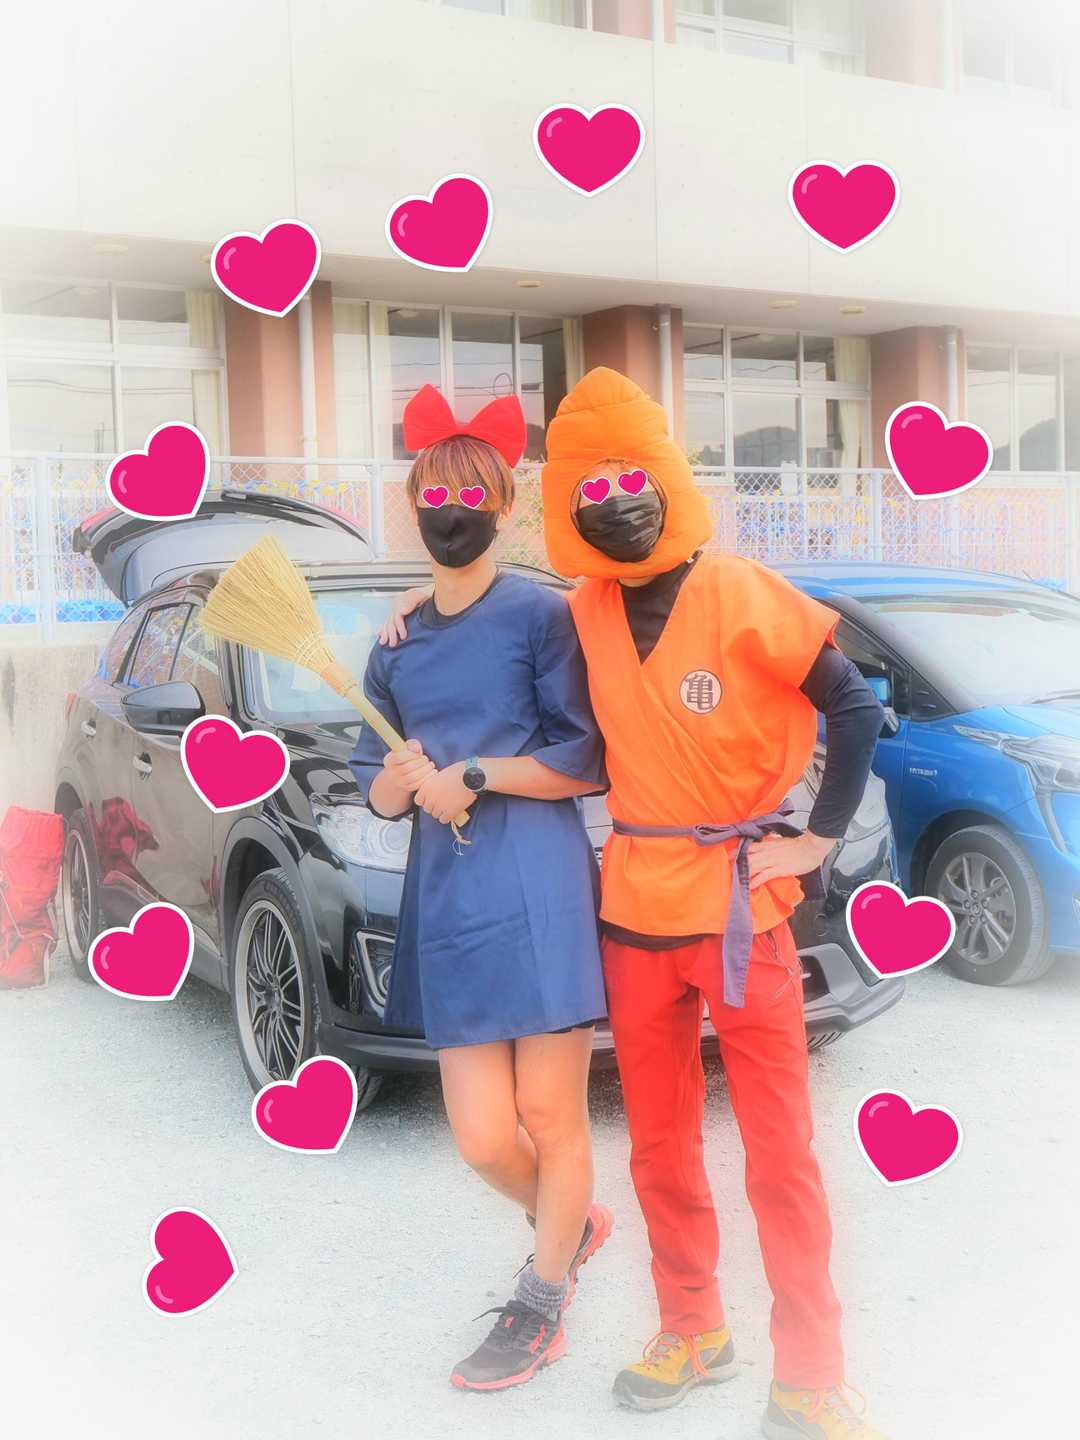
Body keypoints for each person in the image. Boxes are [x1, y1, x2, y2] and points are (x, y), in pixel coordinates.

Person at [383, 367, 889, 1439]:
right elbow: (482, 619)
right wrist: (415, 607)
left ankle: (812, 1370)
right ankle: (691, 1328)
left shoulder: (742, 587)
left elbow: (853, 705)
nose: (614, 502)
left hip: (743, 909)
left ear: (667, 478)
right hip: (635, 909)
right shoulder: (585, 610)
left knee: (780, 1153)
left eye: (630, 479)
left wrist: (817, 836)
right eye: (591, 487)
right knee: (659, 1146)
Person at [348, 383, 613, 1394]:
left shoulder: (541, 616)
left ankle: (540, 1302)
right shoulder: (397, 641)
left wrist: (473, 774)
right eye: (433, 495)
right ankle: (570, 1225)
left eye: (471, 496)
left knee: (550, 1115)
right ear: (412, 503)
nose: (450, 512)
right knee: (481, 1137)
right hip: (451, 897)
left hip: (538, 882)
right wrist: (401, 778)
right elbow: (377, 791)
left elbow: (583, 759)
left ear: (504, 506)